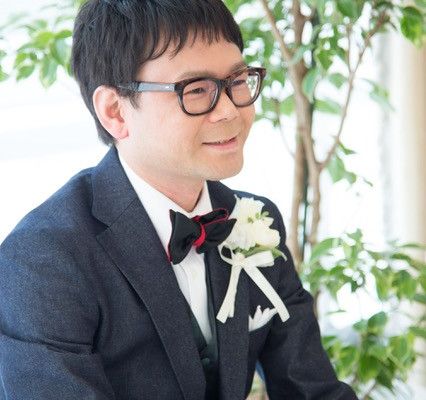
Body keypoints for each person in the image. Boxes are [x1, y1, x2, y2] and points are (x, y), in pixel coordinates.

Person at [0, 1, 358, 399]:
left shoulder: (256, 220)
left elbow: (314, 391)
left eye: (237, 80)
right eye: (197, 90)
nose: (229, 111)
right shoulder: (43, 260)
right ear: (115, 111)